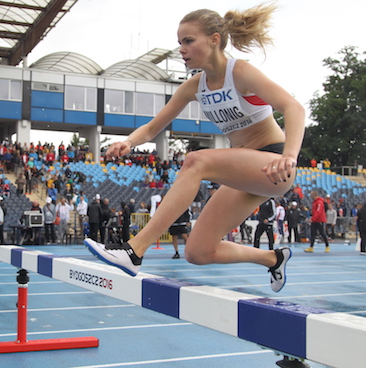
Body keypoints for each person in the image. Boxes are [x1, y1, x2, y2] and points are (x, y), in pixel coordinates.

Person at [85, 4, 305, 293]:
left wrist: (290, 155)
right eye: (179, 43)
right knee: (198, 252)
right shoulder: (194, 86)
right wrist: (129, 142)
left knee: (196, 161)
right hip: (244, 175)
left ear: (214, 39)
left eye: (188, 41)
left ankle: (134, 250)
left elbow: (294, 107)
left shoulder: (240, 73)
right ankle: (273, 258)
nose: (182, 49)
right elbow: (152, 128)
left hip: (274, 165)